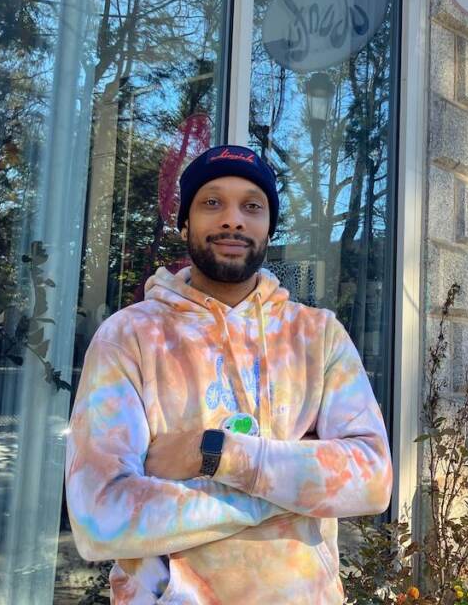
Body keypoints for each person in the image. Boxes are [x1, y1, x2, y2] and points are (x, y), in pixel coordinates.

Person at [65, 144, 393, 603]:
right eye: (212, 202)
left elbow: (373, 479)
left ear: (268, 226)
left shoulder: (318, 336)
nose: (232, 220)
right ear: (185, 223)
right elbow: (100, 517)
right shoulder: (131, 336)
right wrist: (294, 490)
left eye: (252, 207)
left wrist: (216, 454)